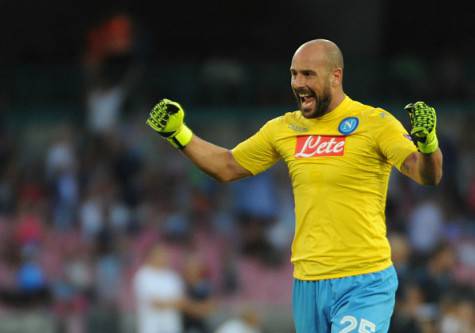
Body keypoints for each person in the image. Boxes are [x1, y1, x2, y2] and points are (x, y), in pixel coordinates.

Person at [146, 39, 443, 333]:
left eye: (308, 74)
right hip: (308, 282)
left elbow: (425, 174)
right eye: (294, 73)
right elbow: (227, 166)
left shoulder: (375, 122)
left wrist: (428, 143)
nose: (298, 83)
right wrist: (179, 134)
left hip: (364, 280)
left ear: (335, 76)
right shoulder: (284, 128)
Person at [133, 245, 185, 333]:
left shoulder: (173, 276)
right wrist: (173, 302)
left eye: (166, 255)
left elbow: (181, 301)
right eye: (161, 255)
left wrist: (167, 303)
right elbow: (155, 303)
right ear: (151, 256)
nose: (165, 257)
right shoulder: (143, 275)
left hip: (172, 328)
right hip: (151, 328)